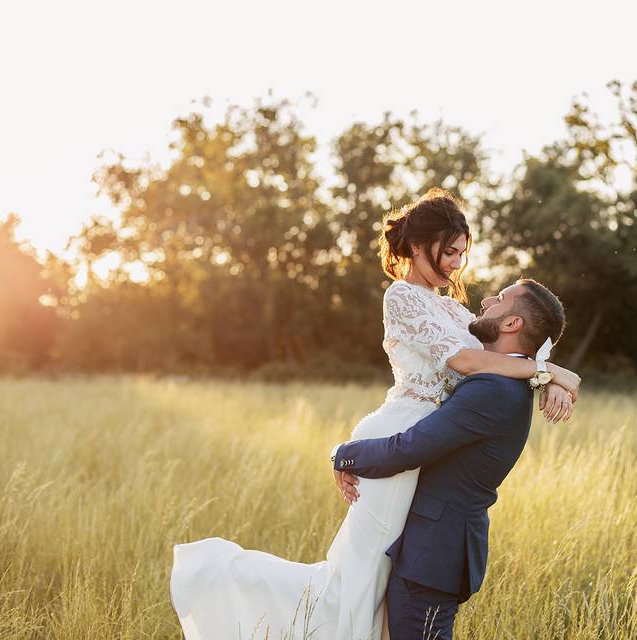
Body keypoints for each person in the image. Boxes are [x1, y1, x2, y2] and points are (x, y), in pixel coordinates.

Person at [169, 188, 580, 640]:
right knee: (350, 583)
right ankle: (217, 575)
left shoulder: (452, 309)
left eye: (462, 253)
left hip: (416, 447)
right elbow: (467, 362)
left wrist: (553, 379)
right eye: (449, 252)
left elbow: (505, 344)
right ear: (420, 245)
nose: (456, 264)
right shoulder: (401, 296)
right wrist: (548, 371)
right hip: (395, 439)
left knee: (379, 584)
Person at [332, 277, 567, 640]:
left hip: (433, 552)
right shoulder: (510, 380)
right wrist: (554, 376)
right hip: (437, 548)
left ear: (511, 324)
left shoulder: (492, 388)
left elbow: (410, 448)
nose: (486, 300)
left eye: (501, 299)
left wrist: (344, 455)